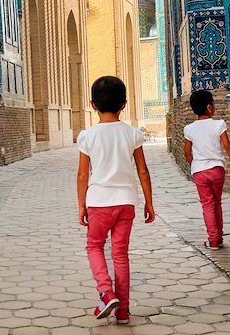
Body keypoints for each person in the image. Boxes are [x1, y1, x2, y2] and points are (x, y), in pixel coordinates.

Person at [76, 76, 155, 325]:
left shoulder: (87, 136)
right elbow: (143, 171)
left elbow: (82, 175)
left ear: (92, 104)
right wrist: (149, 202)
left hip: (99, 202)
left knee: (94, 247)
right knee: (120, 254)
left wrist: (81, 205)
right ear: (124, 104)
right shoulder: (132, 134)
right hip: (126, 202)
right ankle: (123, 311)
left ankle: (105, 292)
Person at [183, 90, 230, 249]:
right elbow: (227, 146)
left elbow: (187, 152)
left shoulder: (189, 129)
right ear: (209, 107)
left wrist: (193, 165)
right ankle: (219, 236)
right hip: (217, 170)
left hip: (200, 172)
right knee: (217, 203)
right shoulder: (218, 124)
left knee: (207, 205)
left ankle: (213, 239)